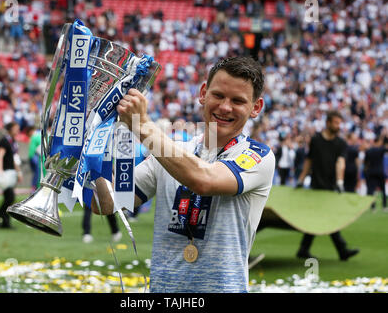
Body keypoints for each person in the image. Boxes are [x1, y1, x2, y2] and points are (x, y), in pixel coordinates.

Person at [92, 57, 275, 293]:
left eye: (238, 101)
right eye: (218, 95)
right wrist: (89, 147)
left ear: (256, 108)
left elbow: (204, 180)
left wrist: (142, 125)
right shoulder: (174, 152)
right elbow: (105, 203)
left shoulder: (258, 156)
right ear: (203, 94)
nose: (225, 107)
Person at [296, 111, 359, 261]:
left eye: (340, 123)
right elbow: (309, 160)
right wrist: (301, 179)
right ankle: (341, 250)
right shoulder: (316, 140)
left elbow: (340, 163)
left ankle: (305, 249)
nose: (338, 126)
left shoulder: (341, 143)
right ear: (328, 123)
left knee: (322, 218)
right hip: (316, 187)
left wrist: (339, 182)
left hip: (331, 188)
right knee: (325, 218)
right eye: (336, 123)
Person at [0, 121, 23, 229]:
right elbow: (0, 156)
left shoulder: (13, 141)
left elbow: (14, 159)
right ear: (10, 129)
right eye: (15, 128)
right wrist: (0, 171)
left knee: (9, 198)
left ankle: (5, 222)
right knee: (10, 198)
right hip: (6, 173)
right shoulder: (5, 140)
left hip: (11, 173)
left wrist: (19, 172)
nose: (17, 130)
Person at [363, 133, 387, 211]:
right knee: (383, 190)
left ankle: (372, 206)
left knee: (371, 190)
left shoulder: (369, 151)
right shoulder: (381, 149)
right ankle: (384, 206)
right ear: (379, 142)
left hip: (371, 172)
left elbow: (365, 163)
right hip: (379, 172)